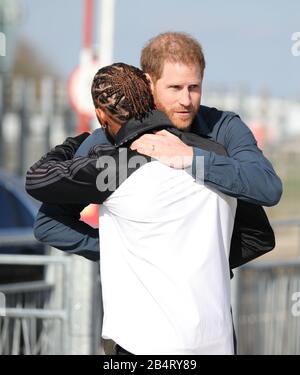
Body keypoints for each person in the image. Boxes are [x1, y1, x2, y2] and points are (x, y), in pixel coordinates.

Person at [26, 60, 277, 354]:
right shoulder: (215, 156)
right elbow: (259, 237)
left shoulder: (113, 167)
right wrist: (200, 258)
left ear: (100, 116)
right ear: (152, 98)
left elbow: (41, 198)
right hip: (216, 342)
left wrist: (73, 145)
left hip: (142, 345)